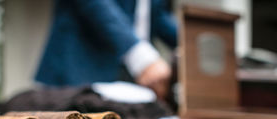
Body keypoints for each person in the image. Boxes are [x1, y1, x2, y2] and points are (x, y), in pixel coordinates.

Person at [35, 0, 178, 101]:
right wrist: (142, 58)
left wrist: (193, 43)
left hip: (129, 77)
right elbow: (97, 4)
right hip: (80, 69)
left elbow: (157, 15)